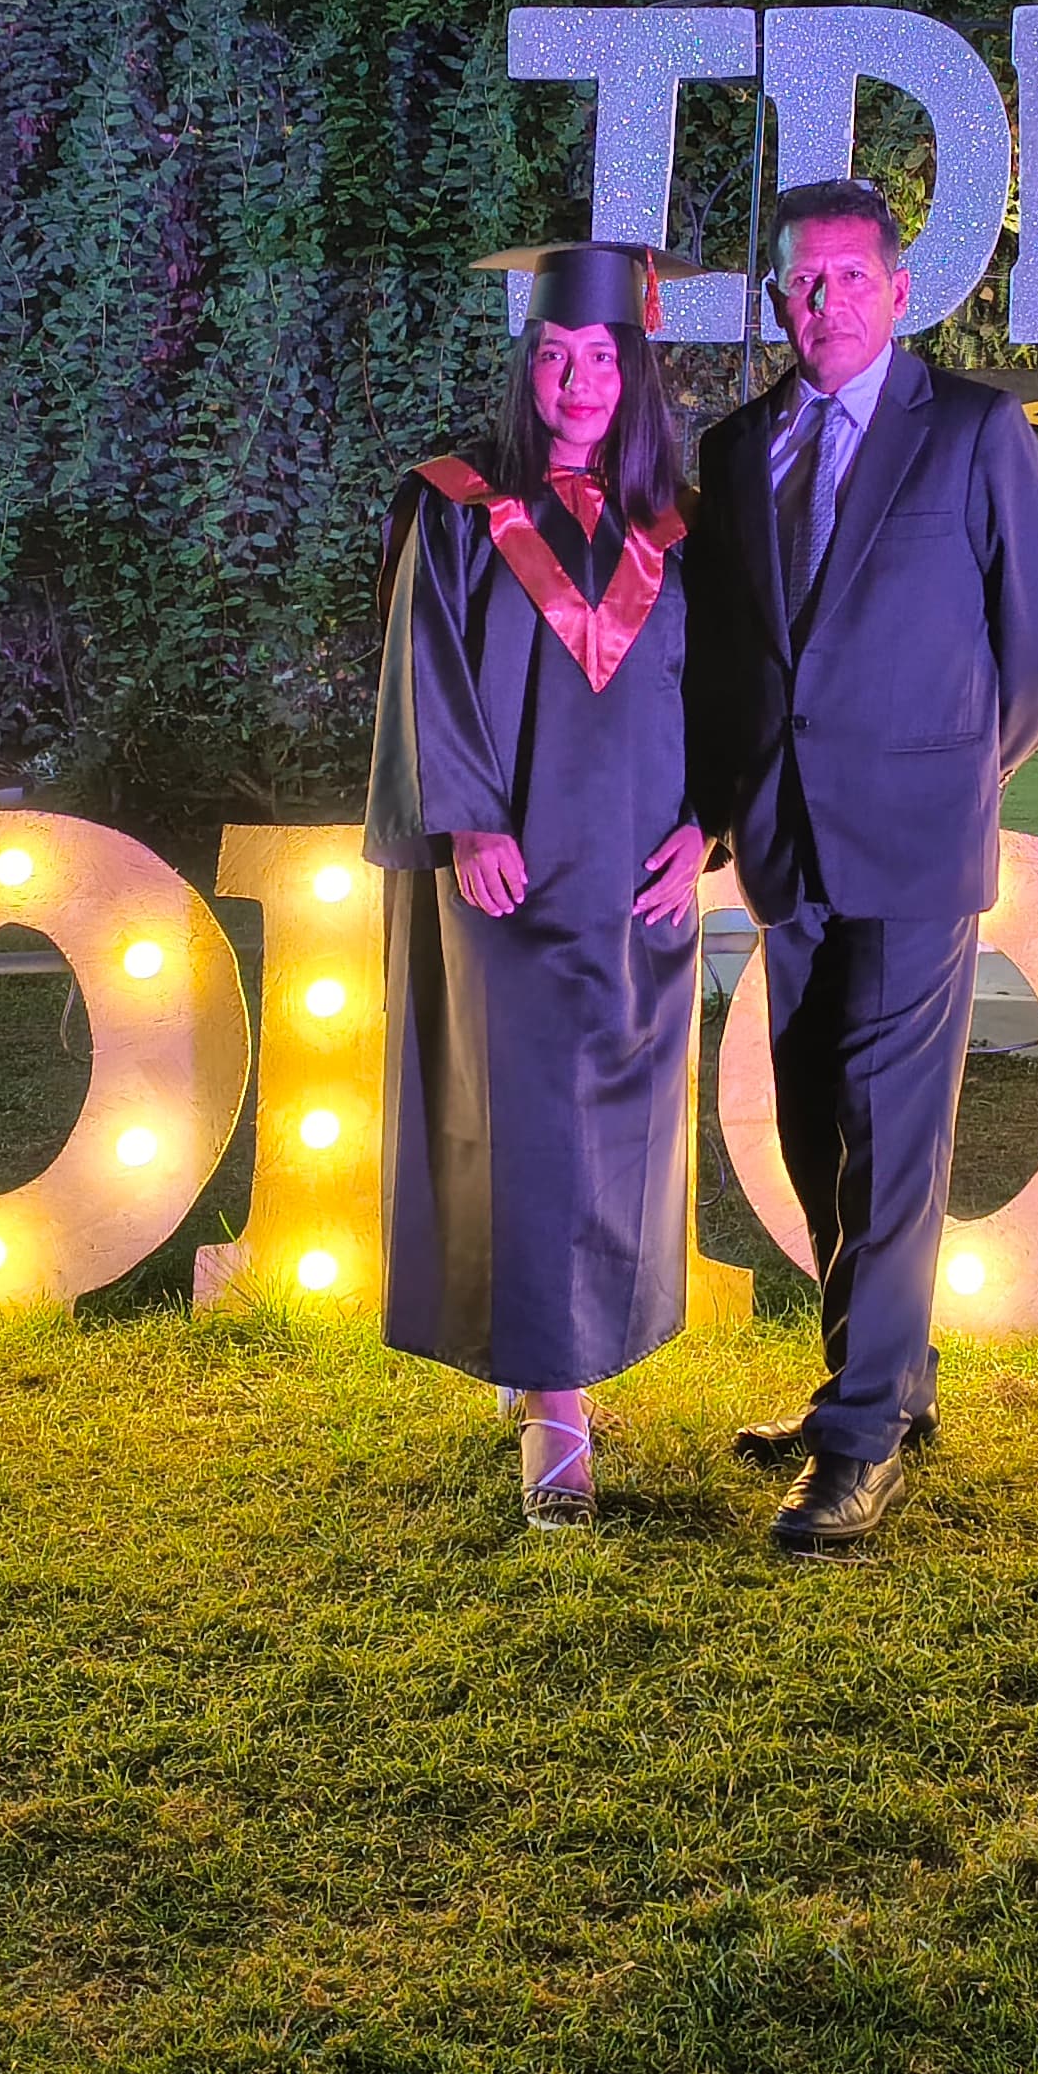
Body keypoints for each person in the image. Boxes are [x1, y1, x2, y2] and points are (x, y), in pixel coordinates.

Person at [690, 179, 1038, 1555]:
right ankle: (882, 1383)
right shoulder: (738, 448)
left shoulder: (971, 430)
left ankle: (858, 1440)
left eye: (853, 277)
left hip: (917, 838)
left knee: (893, 1136)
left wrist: (960, 768)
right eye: (805, 281)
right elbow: (729, 657)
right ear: (776, 299)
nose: (829, 301)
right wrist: (722, 806)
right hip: (784, 839)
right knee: (813, 1126)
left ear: (902, 292)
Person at [364, 240, 714, 1528]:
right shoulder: (460, 508)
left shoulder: (679, 528)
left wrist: (709, 826)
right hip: (509, 866)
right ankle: (555, 1404)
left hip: (635, 864)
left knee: (617, 1124)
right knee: (522, 1121)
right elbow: (426, 668)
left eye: (603, 357)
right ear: (529, 367)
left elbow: (724, 689)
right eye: (557, 356)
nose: (579, 381)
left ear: (636, 371)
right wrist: (465, 824)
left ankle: (565, 1357)